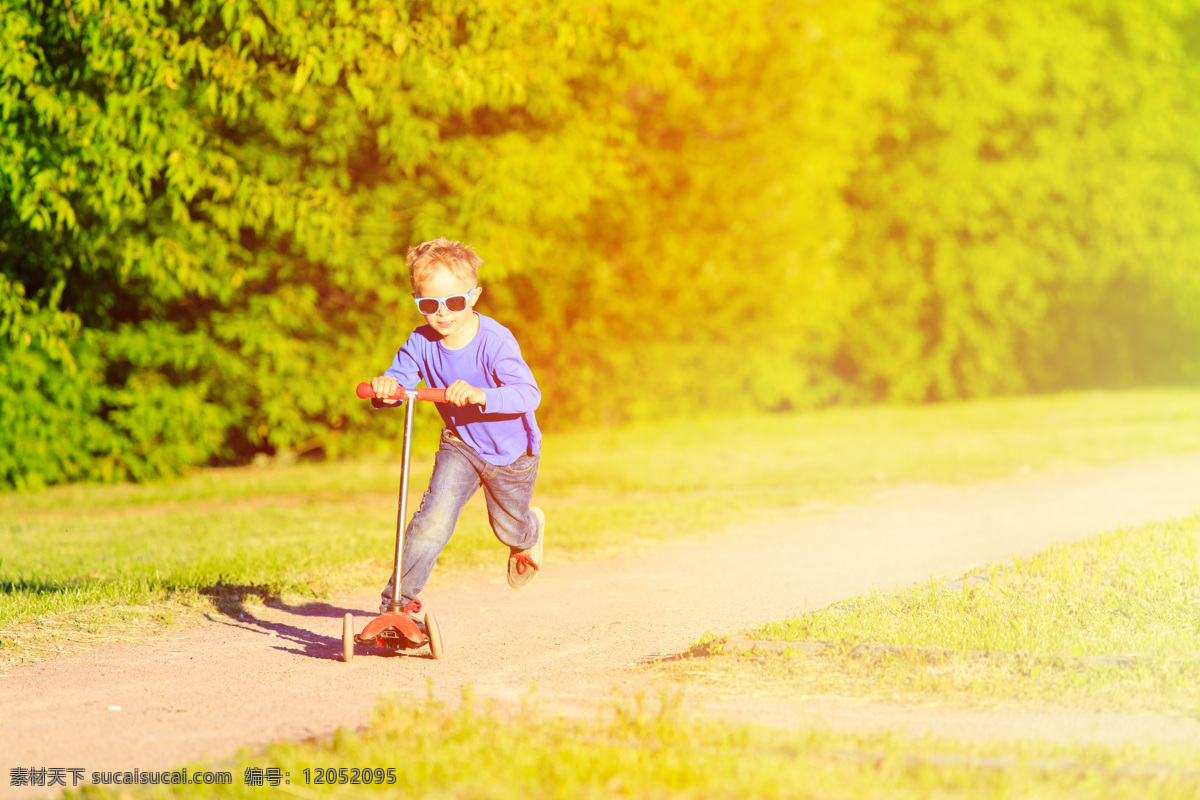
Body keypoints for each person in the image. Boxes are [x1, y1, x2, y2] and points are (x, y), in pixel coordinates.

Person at [369, 237, 544, 618]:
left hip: (511, 454)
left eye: (454, 302)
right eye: (429, 304)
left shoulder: (494, 342)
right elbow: (399, 384)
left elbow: (528, 395)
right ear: (418, 301)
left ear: (474, 296)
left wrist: (482, 395)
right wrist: (386, 389)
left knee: (509, 529)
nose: (442, 313)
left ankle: (528, 535)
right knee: (431, 520)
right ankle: (395, 607)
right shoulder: (420, 342)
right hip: (461, 446)